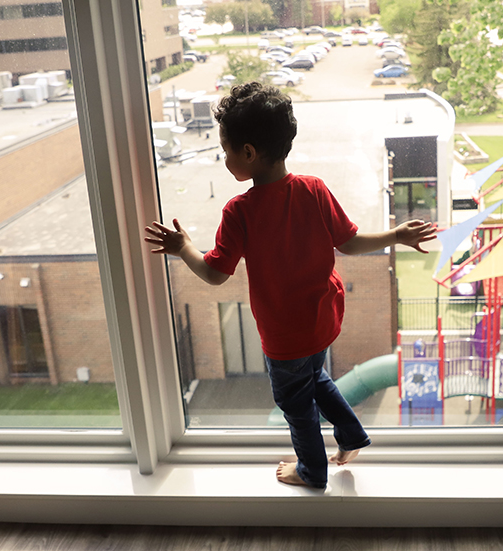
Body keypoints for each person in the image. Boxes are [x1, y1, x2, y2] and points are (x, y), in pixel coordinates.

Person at [144, 81, 436, 489]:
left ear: (248, 152)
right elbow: (349, 242)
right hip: (322, 322)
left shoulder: (239, 212)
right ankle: (351, 435)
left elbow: (214, 273)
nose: (225, 158)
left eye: (226, 150)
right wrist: (395, 235)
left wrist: (183, 248)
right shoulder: (313, 189)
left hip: (284, 337)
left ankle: (312, 471)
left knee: (296, 404)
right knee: (314, 379)